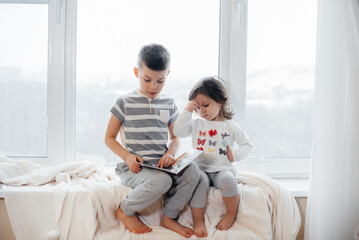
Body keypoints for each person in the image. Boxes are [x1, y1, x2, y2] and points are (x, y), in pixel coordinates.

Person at [105, 43, 201, 238]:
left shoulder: (169, 103)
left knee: (193, 172)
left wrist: (170, 154)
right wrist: (128, 157)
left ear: (168, 75)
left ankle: (169, 216)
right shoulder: (124, 102)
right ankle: (125, 211)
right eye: (147, 79)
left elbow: (175, 138)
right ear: (136, 72)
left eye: (160, 81)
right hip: (135, 169)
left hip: (161, 165)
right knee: (162, 180)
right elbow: (109, 138)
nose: (153, 87)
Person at [173, 76, 253, 233]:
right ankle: (198, 220)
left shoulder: (229, 127)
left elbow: (247, 144)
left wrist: (234, 156)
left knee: (228, 180)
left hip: (221, 169)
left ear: (220, 101)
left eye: (206, 105)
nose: (201, 111)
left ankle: (231, 214)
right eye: (198, 107)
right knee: (199, 182)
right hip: (200, 169)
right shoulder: (197, 123)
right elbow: (178, 131)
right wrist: (188, 110)